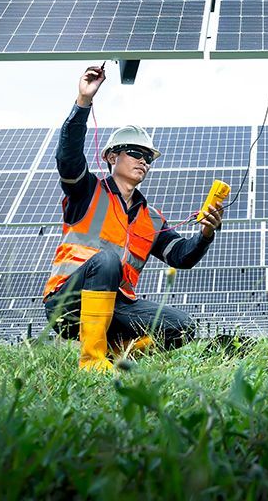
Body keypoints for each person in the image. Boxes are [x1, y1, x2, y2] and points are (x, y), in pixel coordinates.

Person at [41, 62, 223, 370]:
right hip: (67, 300)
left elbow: (181, 256)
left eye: (148, 157)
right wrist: (83, 101)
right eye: (136, 153)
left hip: (116, 304)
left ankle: (118, 357)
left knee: (182, 326)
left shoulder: (150, 218)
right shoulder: (87, 192)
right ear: (113, 157)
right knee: (107, 260)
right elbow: (67, 158)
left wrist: (206, 234)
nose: (144, 162)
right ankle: (92, 362)